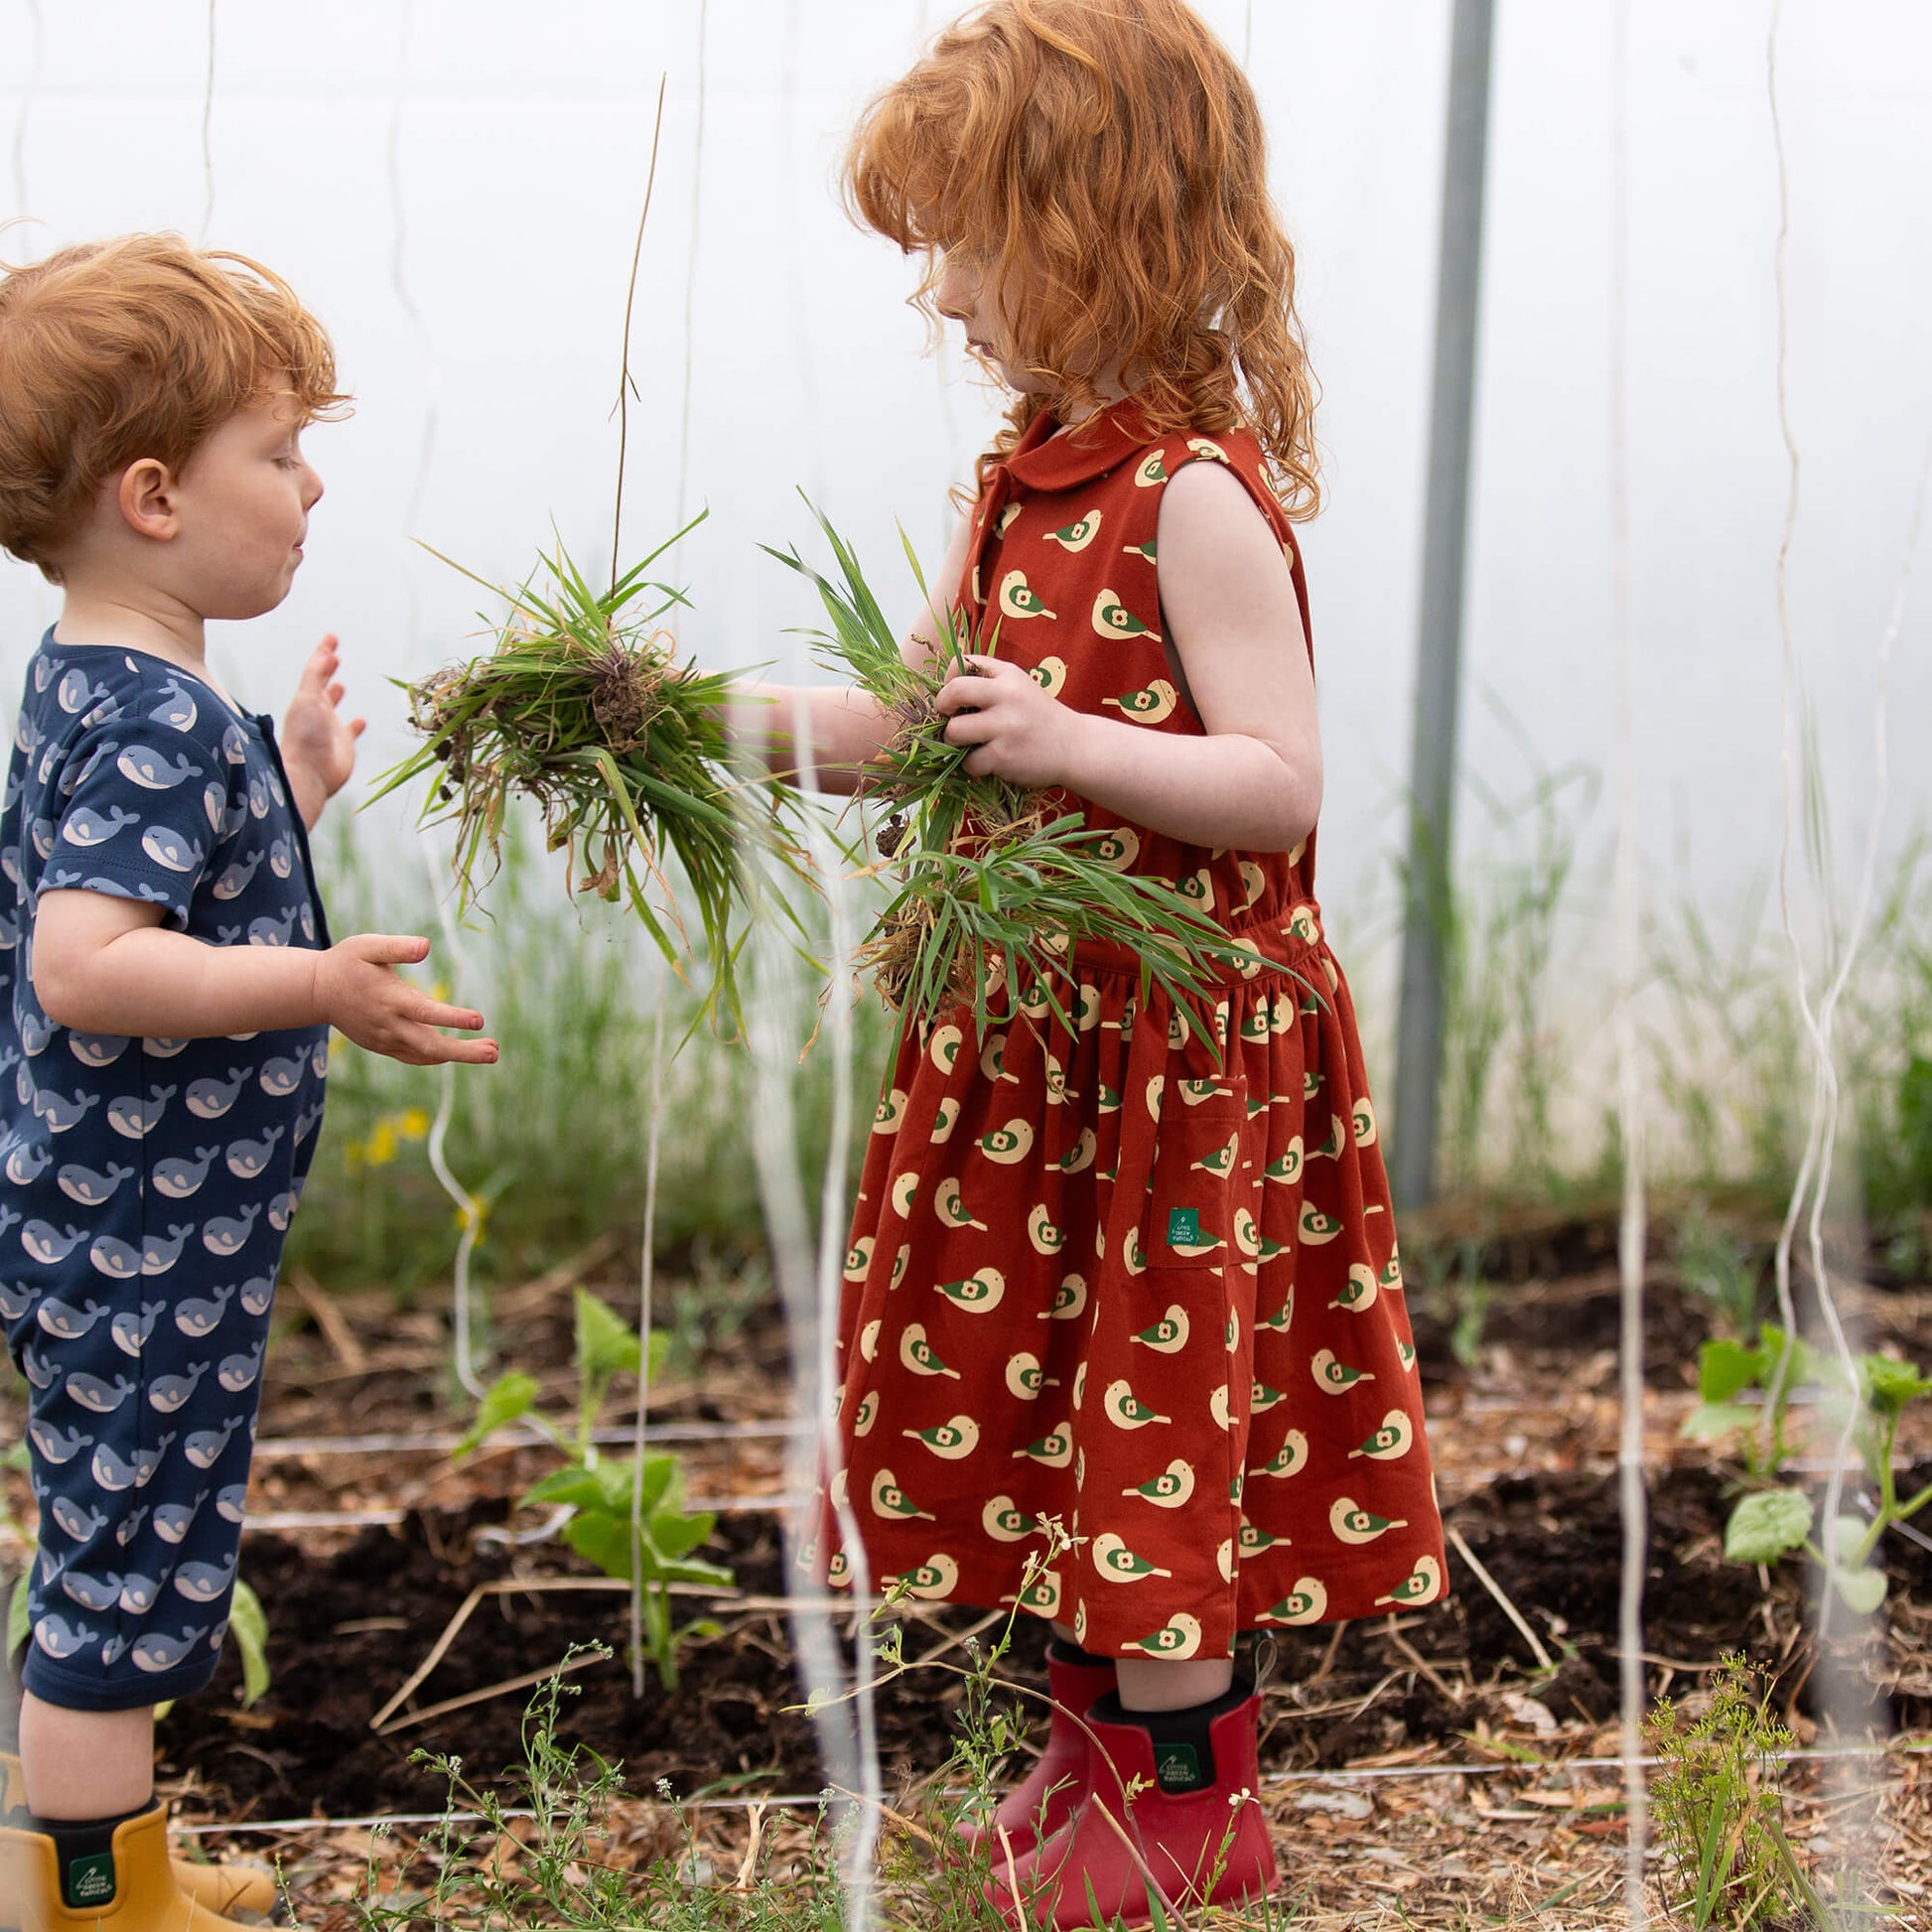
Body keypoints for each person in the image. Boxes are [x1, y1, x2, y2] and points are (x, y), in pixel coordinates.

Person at [739, 3, 1449, 1924]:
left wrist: (1072, 747)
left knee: (1160, 1403)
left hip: (1179, 1051)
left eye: (969, 241)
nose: (945, 292)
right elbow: (920, 722)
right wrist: (692, 720)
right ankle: (1088, 1751)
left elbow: (1274, 780)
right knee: (1058, 1394)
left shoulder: (1193, 493)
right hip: (1043, 1036)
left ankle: (1192, 1797)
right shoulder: (1016, 479)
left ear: (1099, 224)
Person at [0, 234, 499, 1932]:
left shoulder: (128, 685)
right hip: (135, 1245)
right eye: (278, 453)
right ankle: (85, 1904)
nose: (311, 483)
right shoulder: (149, 715)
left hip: (136, 1231)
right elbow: (88, 962)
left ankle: (106, 1856)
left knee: (123, 1536)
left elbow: (165, 899)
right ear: (153, 494)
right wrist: (315, 984)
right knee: (122, 1568)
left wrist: (282, 781)